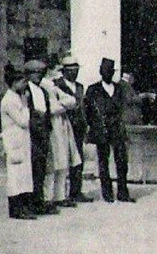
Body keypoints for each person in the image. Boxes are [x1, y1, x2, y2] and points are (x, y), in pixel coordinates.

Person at [84, 58, 135, 203]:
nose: (108, 74)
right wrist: (93, 126)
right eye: (105, 71)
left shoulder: (119, 88)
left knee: (121, 161)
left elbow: (123, 106)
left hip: (117, 128)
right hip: (101, 128)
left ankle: (123, 193)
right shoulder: (93, 89)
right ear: (100, 72)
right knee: (103, 161)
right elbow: (87, 109)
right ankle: (107, 193)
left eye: (110, 71)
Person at [41, 59, 82, 210]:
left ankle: (60, 196)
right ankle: (48, 198)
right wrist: (63, 106)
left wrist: (62, 105)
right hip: (53, 127)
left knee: (63, 162)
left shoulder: (52, 86)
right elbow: (50, 109)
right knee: (54, 165)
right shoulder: (43, 86)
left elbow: (71, 100)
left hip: (63, 126)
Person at [53, 55, 93, 203]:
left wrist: (87, 124)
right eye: (71, 70)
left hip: (78, 128)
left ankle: (76, 192)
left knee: (78, 160)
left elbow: (84, 107)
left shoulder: (80, 87)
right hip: (62, 126)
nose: (74, 73)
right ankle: (60, 194)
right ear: (64, 71)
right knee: (62, 159)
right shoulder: (56, 85)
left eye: (76, 70)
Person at [0, 63, 36, 220]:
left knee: (23, 174)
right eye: (23, 82)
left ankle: (24, 206)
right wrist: (26, 106)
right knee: (15, 175)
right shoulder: (9, 100)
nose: (25, 85)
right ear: (14, 83)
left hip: (21, 139)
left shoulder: (17, 97)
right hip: (14, 140)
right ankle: (16, 209)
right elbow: (22, 121)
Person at [23, 59, 56, 215]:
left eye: (41, 73)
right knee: (32, 169)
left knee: (41, 168)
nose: (39, 76)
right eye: (35, 73)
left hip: (43, 134)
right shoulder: (26, 91)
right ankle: (30, 202)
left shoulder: (42, 91)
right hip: (32, 134)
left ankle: (39, 200)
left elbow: (47, 111)